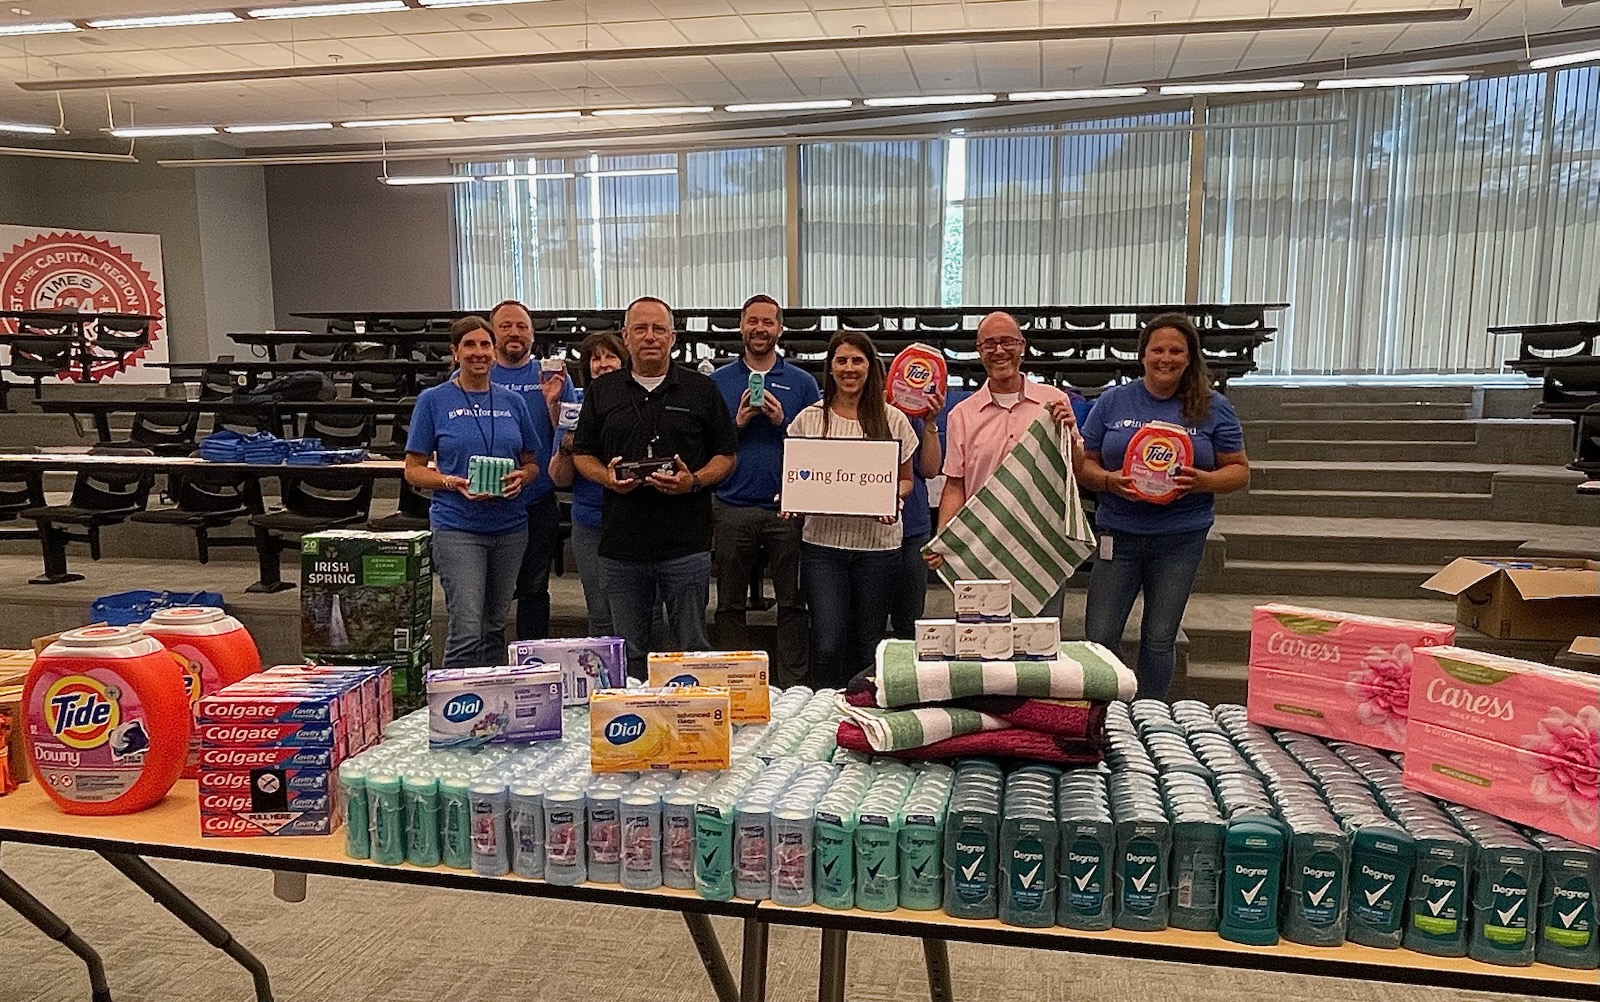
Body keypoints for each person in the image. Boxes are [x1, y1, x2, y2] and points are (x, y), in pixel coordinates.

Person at [1077, 312, 1250, 701]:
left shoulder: (1213, 406)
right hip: (1117, 535)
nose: (1166, 358)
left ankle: (1152, 714)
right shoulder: (1113, 400)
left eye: (1176, 350)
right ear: (1143, 355)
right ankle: (1106, 710)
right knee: (1100, 634)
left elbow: (1239, 472)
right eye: (1158, 349)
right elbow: (1083, 464)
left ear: (1190, 357)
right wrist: (1108, 481)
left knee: (1159, 637)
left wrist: (1203, 481)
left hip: (1179, 538)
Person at [571, 297, 739, 678]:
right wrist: (605, 477)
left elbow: (727, 455)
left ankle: (692, 731)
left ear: (673, 337)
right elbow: (583, 454)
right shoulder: (602, 391)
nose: (650, 337)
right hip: (622, 547)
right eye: (641, 329)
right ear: (625, 336)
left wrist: (693, 480)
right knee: (629, 655)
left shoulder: (702, 390)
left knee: (693, 650)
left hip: (686, 546)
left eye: (659, 329)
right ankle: (635, 732)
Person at [404, 317, 544, 668]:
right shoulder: (433, 400)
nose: (478, 353)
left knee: (495, 625)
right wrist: (453, 482)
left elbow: (532, 463)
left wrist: (521, 478)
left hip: (510, 527)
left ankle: (489, 706)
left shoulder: (513, 402)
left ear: (494, 353)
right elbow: (413, 470)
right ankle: (455, 711)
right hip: (458, 527)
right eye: (469, 345)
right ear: (455, 352)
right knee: (467, 628)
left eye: (485, 346)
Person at [785, 331, 919, 689]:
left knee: (868, 643)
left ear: (870, 367)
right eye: (841, 360)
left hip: (878, 548)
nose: (849, 368)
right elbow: (797, 477)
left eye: (857, 360)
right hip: (823, 549)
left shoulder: (894, 420)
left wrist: (894, 498)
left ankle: (867, 713)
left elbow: (907, 480)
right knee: (827, 643)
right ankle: (825, 712)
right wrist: (790, 500)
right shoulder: (808, 420)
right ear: (830, 368)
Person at [925, 311, 1081, 617]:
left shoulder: (1055, 401)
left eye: (1007, 341)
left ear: (1022, 345)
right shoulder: (962, 414)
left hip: (1041, 546)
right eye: (990, 343)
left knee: (1039, 650)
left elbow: (1077, 469)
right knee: (983, 647)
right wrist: (943, 536)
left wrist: (1071, 435)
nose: (999, 350)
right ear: (979, 350)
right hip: (983, 546)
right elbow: (956, 483)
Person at [709, 295, 821, 687]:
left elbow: (815, 446)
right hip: (731, 505)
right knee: (729, 604)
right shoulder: (718, 382)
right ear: (741, 326)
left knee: (792, 603)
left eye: (768, 322)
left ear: (779, 328)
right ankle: (736, 682)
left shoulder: (803, 383)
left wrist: (782, 421)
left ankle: (794, 683)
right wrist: (736, 424)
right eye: (752, 321)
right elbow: (705, 446)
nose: (760, 328)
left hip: (786, 509)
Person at [487, 298, 574, 641]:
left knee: (535, 589)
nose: (514, 332)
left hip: (537, 502)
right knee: (488, 596)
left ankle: (532, 663)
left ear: (533, 335)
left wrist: (553, 402)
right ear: (493, 333)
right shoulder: (476, 372)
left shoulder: (552, 377)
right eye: (506, 325)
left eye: (522, 326)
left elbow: (569, 435)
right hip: (486, 503)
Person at [548, 332, 626, 636]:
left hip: (635, 522)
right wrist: (567, 447)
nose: (603, 364)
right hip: (590, 523)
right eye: (596, 358)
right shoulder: (574, 408)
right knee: (600, 611)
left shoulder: (642, 402)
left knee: (644, 610)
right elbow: (559, 479)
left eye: (610, 357)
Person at [889, 393, 945, 639]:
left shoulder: (910, 414)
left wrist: (930, 423)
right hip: (863, 533)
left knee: (909, 621)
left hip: (911, 526)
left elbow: (931, 470)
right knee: (865, 621)